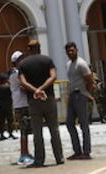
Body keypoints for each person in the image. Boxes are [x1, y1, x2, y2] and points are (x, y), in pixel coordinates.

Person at [19, 40, 64, 168]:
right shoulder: (47, 60)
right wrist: (42, 89)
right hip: (48, 98)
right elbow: (53, 76)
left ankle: (39, 160)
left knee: (37, 132)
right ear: (39, 48)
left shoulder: (23, 64)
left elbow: (23, 82)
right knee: (54, 130)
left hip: (33, 101)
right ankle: (59, 158)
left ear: (29, 49)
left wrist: (35, 91)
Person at [64, 42, 95, 160]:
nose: (71, 52)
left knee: (84, 124)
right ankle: (77, 151)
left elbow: (90, 81)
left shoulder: (81, 64)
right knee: (69, 123)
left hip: (81, 95)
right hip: (72, 95)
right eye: (68, 51)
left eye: (72, 50)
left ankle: (86, 151)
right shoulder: (68, 64)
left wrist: (88, 95)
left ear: (77, 50)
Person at [9, 50, 33, 165]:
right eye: (20, 59)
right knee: (24, 130)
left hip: (22, 104)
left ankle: (26, 152)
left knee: (26, 130)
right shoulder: (16, 74)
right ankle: (23, 154)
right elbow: (24, 87)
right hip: (21, 105)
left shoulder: (17, 72)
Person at [0, 73, 14, 141]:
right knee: (10, 120)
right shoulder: (8, 87)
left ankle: (1, 134)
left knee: (1, 121)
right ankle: (10, 133)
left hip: (1, 105)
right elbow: (12, 93)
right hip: (8, 105)